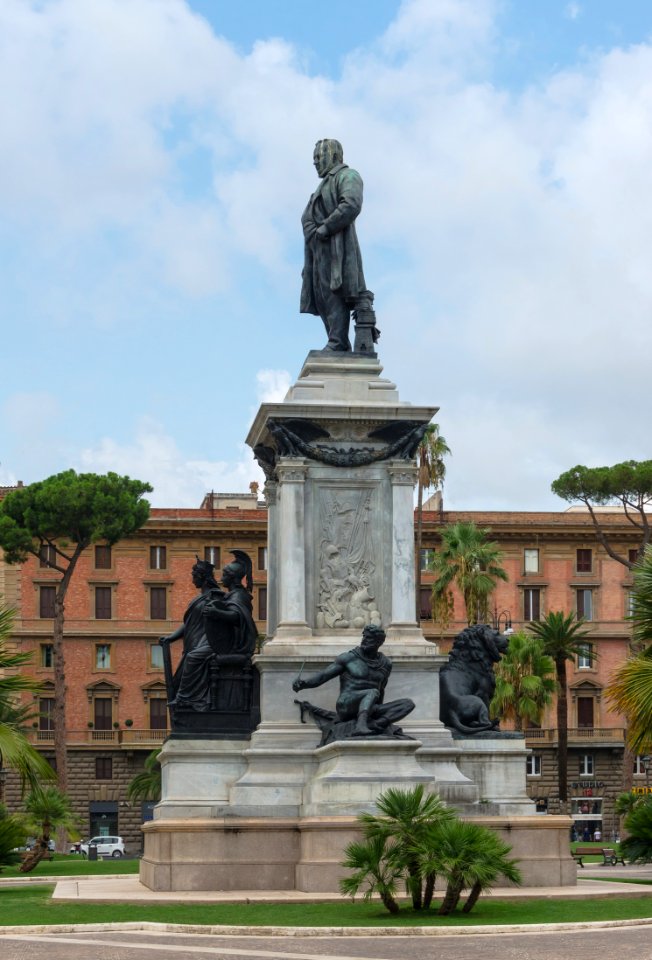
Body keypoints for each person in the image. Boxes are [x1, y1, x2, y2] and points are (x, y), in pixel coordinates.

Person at [300, 139, 377, 352]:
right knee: (324, 298)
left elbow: (351, 204)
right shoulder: (323, 184)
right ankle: (336, 341)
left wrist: (325, 228)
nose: (315, 162)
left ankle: (337, 342)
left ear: (333, 156)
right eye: (314, 158)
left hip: (337, 250)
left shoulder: (347, 175)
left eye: (318, 157)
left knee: (335, 293)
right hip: (318, 253)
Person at [292, 624, 414, 735]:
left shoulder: (386, 664)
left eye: (369, 638)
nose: (364, 641)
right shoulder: (348, 658)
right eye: (364, 637)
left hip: (369, 705)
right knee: (372, 691)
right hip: (346, 704)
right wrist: (304, 684)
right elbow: (323, 676)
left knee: (408, 704)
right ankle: (360, 725)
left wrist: (376, 712)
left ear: (378, 642)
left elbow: (381, 689)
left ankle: (375, 724)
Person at [160, 559, 223, 712]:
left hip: (208, 642)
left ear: (203, 577)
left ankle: (187, 701)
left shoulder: (216, 597)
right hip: (192, 643)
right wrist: (171, 637)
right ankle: (184, 708)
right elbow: (187, 624)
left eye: (194, 575)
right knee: (177, 681)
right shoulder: (197, 599)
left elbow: (222, 622)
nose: (192, 578)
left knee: (186, 672)